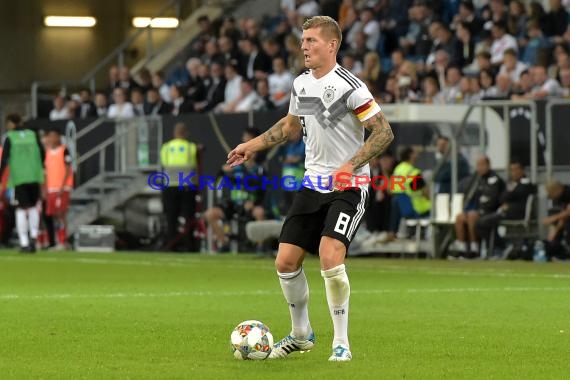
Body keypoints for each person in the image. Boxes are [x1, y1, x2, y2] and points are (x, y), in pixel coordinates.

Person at [226, 16, 394, 361]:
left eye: (312, 40)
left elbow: (383, 132)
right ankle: (301, 335)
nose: (304, 46)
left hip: (349, 186)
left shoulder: (352, 86)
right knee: (285, 262)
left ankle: (342, 343)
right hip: (312, 183)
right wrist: (252, 146)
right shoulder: (301, 84)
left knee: (331, 256)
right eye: (303, 40)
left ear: (332, 45)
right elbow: (289, 128)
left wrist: (350, 165)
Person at [0, 113, 45, 252]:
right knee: (33, 207)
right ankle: (33, 237)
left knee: (20, 208)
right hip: (34, 175)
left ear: (12, 123)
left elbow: (5, 159)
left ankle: (24, 242)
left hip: (19, 177)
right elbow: (42, 154)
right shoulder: (33, 135)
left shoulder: (10, 138)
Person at [160, 122, 198, 251]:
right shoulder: (191, 147)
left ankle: (171, 244)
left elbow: (164, 163)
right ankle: (189, 245)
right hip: (186, 186)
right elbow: (194, 164)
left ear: (174, 133)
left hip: (170, 185)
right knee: (188, 217)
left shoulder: (166, 147)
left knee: (171, 217)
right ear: (185, 133)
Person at [43, 128, 74, 248]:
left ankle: (63, 241)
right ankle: (56, 239)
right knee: (53, 214)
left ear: (58, 137)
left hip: (63, 188)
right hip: (51, 188)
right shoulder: (48, 152)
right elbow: (46, 172)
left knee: (61, 213)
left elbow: (67, 168)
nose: (51, 139)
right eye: (50, 136)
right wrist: (45, 188)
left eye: (54, 136)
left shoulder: (64, 150)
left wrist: (63, 186)